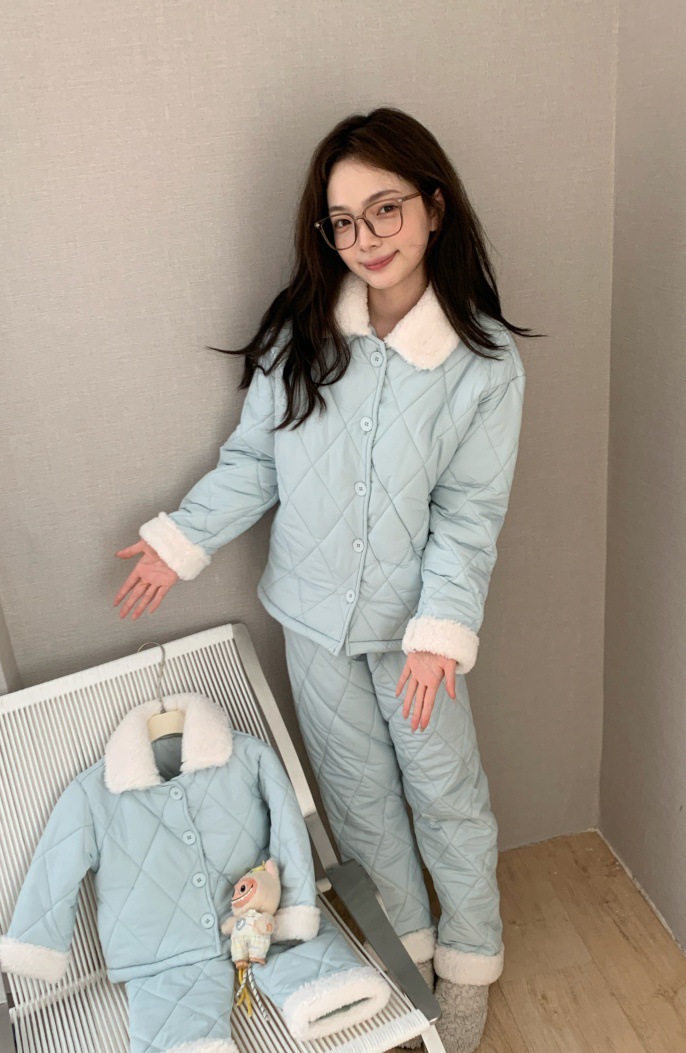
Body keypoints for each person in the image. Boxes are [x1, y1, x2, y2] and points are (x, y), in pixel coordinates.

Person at [113, 106, 538, 1053]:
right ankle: (409, 951)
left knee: (446, 794)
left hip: (413, 633)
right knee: (356, 798)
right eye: (343, 221)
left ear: (433, 206)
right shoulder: (302, 332)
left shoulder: (483, 364)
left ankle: (471, 957)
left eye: (385, 209)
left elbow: (469, 516)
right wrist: (182, 539)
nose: (366, 238)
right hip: (309, 622)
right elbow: (253, 463)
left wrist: (439, 632)